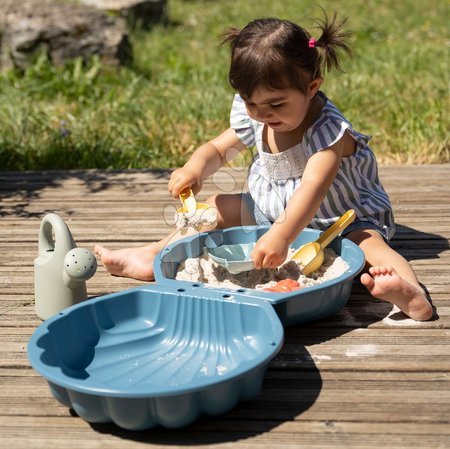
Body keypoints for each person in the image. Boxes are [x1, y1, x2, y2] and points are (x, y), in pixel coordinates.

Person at [94, 12, 433, 321]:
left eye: (276, 104)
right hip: (268, 211)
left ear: (312, 87)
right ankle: (154, 253)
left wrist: (281, 235)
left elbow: (313, 189)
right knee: (212, 208)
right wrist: (195, 167)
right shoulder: (256, 113)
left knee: (371, 245)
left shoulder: (329, 133)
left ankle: (408, 293)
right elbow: (219, 148)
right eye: (251, 102)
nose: (262, 114)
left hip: (340, 220)